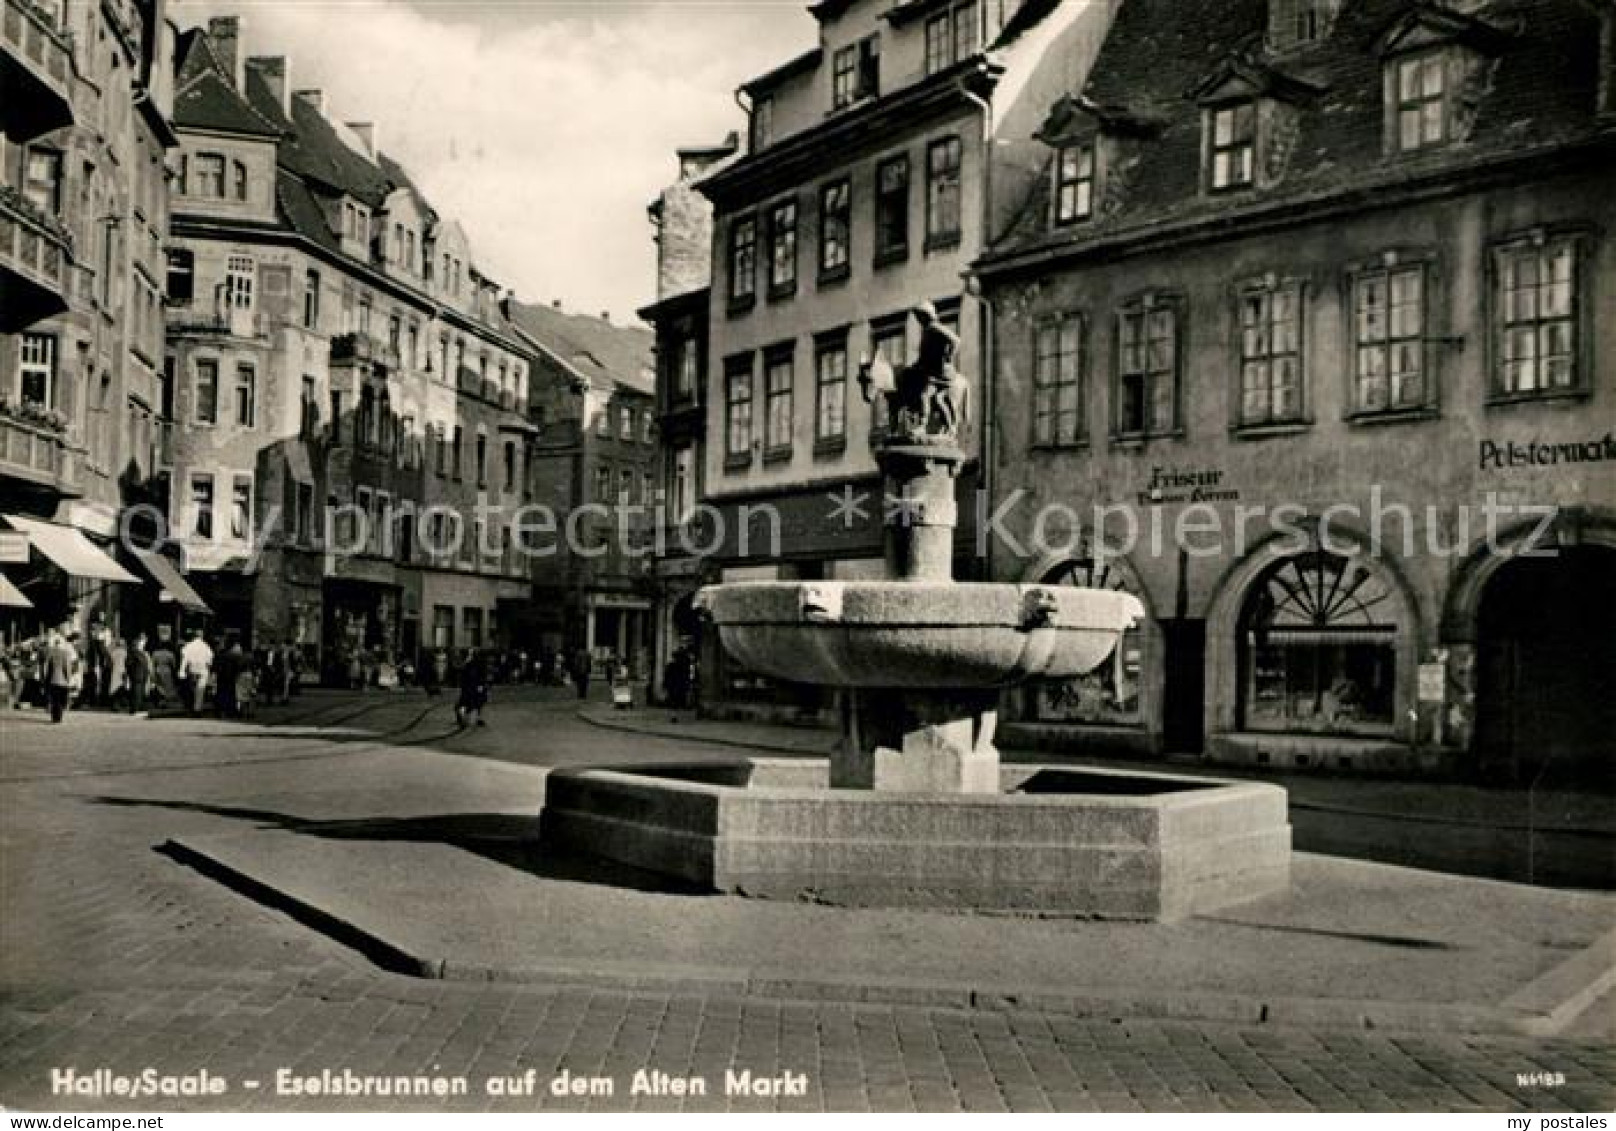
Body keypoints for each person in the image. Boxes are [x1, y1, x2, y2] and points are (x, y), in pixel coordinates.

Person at [41, 629, 77, 724]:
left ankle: (54, 717)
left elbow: (47, 667)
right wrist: (69, 678)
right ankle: (59, 717)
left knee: (54, 700)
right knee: (61, 700)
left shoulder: (51, 652)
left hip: (52, 680)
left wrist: (46, 679)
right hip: (62, 681)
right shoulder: (66, 653)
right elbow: (67, 668)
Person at [178, 629, 213, 716]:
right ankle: (197, 709)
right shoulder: (206, 647)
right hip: (203, 670)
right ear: (202, 636)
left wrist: (182, 670)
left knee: (191, 690)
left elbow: (184, 659)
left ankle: (190, 707)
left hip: (192, 669)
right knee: (200, 690)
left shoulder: (188, 646)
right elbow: (209, 661)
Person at [454, 649, 489, 728]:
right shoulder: (468, 664)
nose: (470, 656)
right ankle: (463, 717)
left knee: (476, 702)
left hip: (474, 687)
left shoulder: (477, 664)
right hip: (469, 687)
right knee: (466, 703)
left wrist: (481, 685)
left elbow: (482, 675)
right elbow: (462, 675)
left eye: (471, 655)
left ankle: (472, 718)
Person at [126, 633, 152, 715]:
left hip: (141, 675)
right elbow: (128, 663)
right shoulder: (134, 652)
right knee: (136, 692)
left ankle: (138, 707)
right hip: (136, 674)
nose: (144, 643)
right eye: (143, 641)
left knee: (140, 691)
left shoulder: (142, 653)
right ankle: (135, 708)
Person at [150, 637, 178, 708]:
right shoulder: (170, 654)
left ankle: (160, 700)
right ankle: (165, 701)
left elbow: (152, 663)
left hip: (158, 670)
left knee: (159, 686)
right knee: (167, 687)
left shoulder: (155, 653)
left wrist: (153, 673)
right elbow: (173, 665)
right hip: (167, 671)